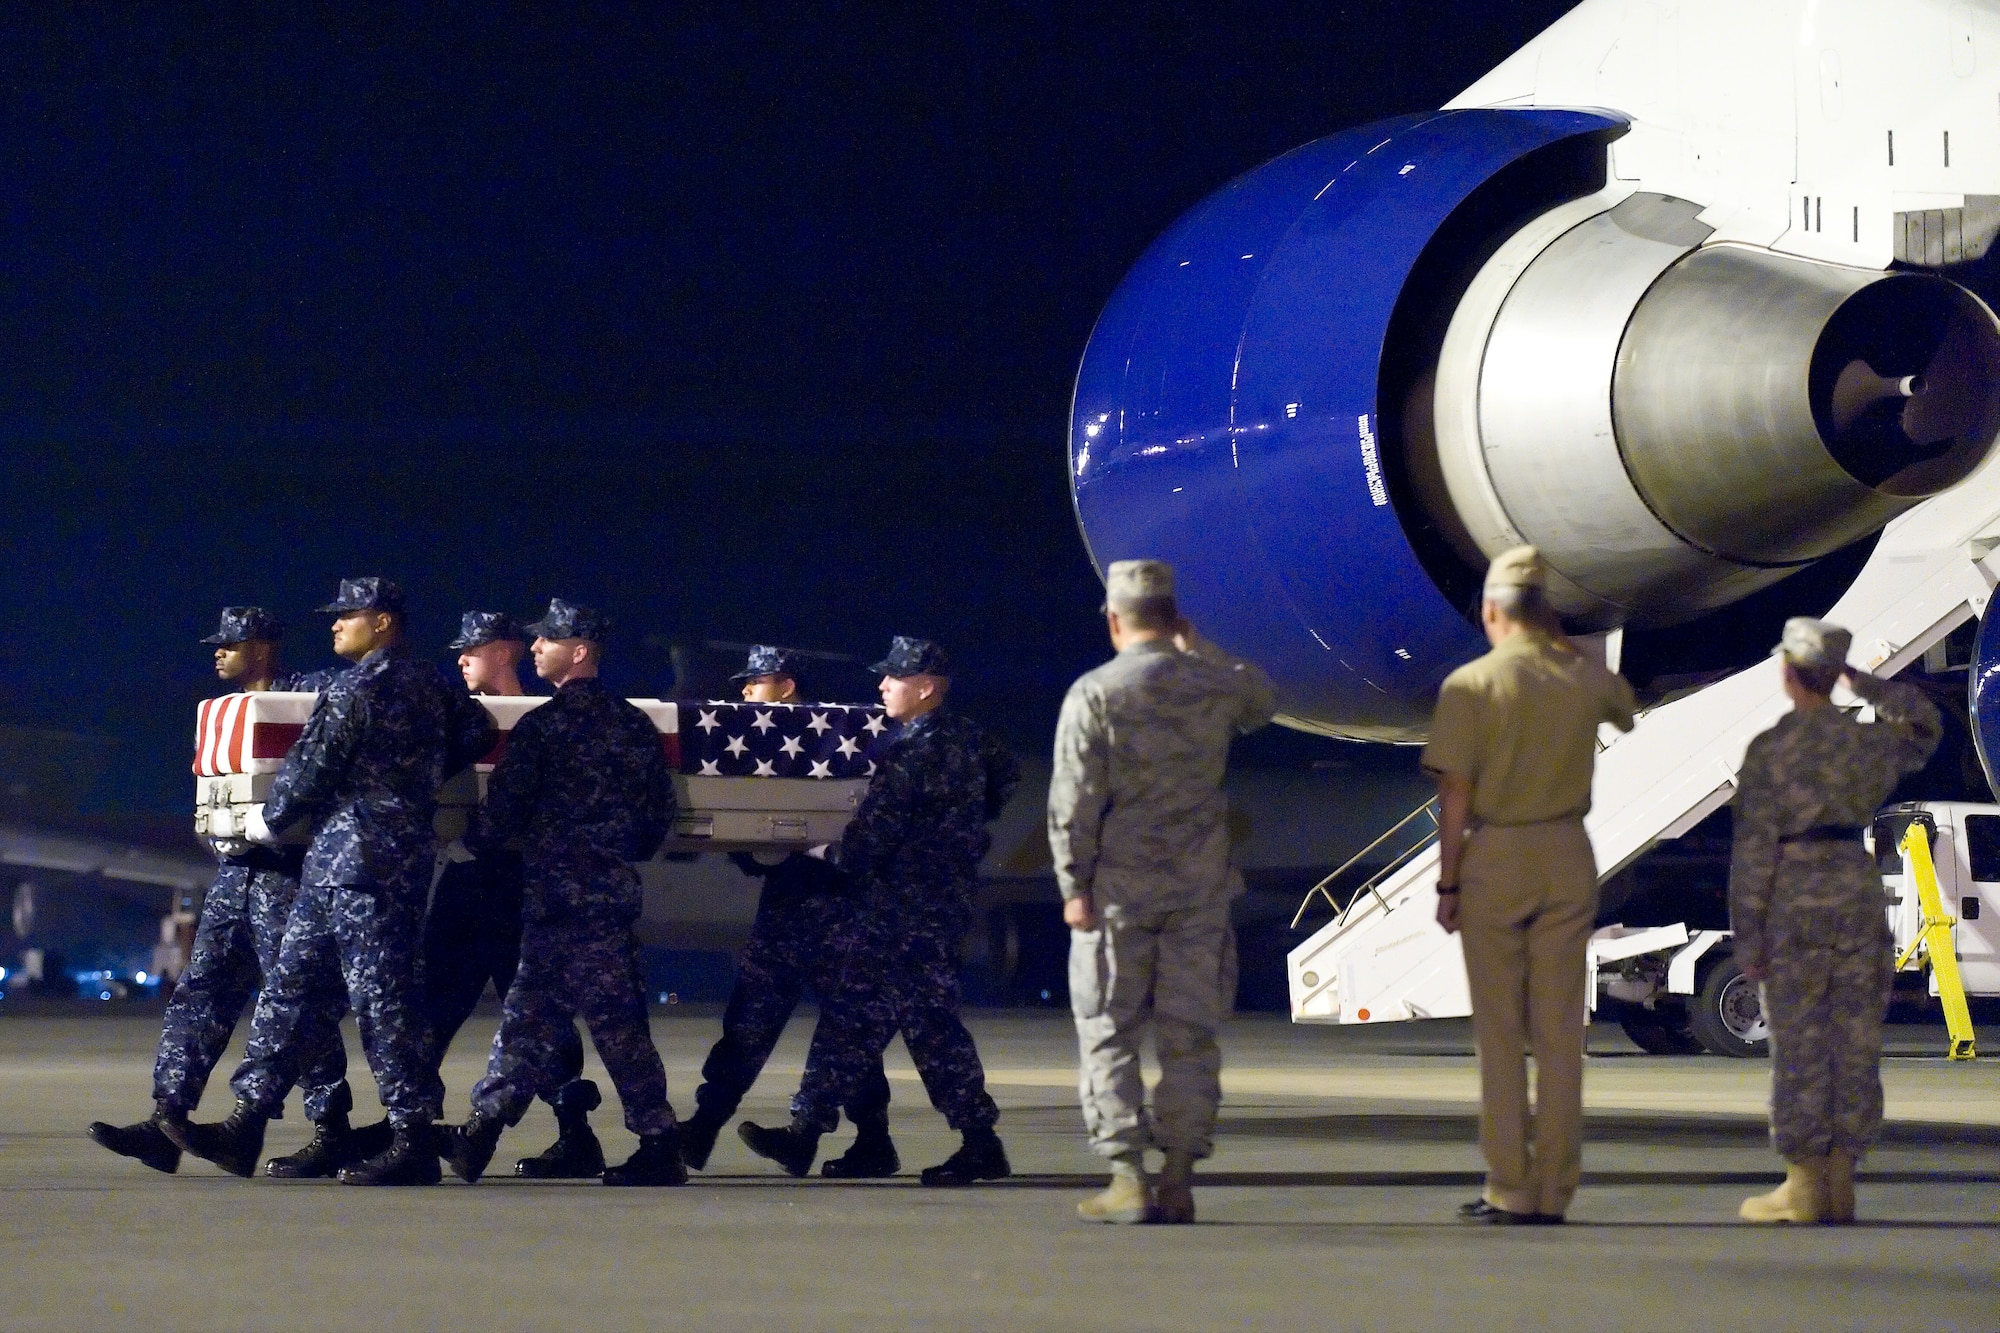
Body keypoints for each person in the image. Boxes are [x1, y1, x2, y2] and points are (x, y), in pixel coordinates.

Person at [170, 577, 493, 1186]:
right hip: (368, 858)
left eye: (350, 615)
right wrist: (417, 778)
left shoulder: (357, 688)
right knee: (294, 986)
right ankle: (248, 1120)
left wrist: (268, 822)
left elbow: (311, 768)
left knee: (375, 997)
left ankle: (413, 1138)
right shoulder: (433, 685)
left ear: (384, 622)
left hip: (355, 859)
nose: (337, 624)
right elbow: (477, 733)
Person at [738, 636, 1020, 1186]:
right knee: (858, 1020)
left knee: (918, 1026)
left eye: (894, 678)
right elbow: (1003, 783)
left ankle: (979, 1142)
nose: (882, 685)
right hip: (941, 905)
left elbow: (867, 846)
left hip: (898, 913)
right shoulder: (974, 741)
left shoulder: (908, 754)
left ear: (927, 688)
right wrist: (957, 832)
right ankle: (806, 1132)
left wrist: (815, 851)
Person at [88, 607, 356, 1175]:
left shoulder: (310, 692)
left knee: (296, 1006)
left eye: (230, 644)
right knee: (200, 991)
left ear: (262, 647)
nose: (218, 652)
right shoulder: (225, 714)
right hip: (236, 873)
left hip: (288, 872)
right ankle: (168, 1117)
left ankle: (331, 1127)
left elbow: (354, 707)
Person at [1049, 560, 1276, 1224]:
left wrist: (1073, 885)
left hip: (1117, 892)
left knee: (1109, 1031)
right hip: (1199, 891)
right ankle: (1178, 1178)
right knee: (1190, 1036)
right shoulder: (1213, 687)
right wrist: (1197, 646)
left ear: (1115, 620)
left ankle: (1127, 1176)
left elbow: (1074, 803)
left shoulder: (1095, 692)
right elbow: (1263, 698)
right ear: (1173, 619)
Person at [1425, 546, 1637, 1225]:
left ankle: (1510, 1185)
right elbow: (1626, 708)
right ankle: (1556, 1186)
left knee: (1500, 1032)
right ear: (1543, 613)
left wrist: (1448, 881)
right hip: (1567, 851)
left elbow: (1455, 793)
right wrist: (1564, 647)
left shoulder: (1471, 684)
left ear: (1491, 611)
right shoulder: (1578, 676)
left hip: (1497, 854)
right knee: (1557, 1033)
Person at [441, 599, 685, 1187]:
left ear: (578, 651)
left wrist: (467, 842)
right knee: (557, 1018)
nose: (534, 648)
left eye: (546, 641)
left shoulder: (544, 727)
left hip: (557, 900)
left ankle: (656, 1143)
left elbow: (501, 817)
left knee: (576, 1022)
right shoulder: (633, 726)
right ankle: (483, 1132)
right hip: (609, 895)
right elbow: (659, 818)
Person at [1731, 618, 1941, 1224]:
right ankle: (1840, 1184)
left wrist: (1749, 934)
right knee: (1855, 1043)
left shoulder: (1772, 749)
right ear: (1833, 673)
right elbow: (1925, 725)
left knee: (1799, 1045)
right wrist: (1867, 686)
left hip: (1794, 894)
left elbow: (1752, 852)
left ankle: (1802, 1187)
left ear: (1789, 673)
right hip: (1854, 887)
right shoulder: (1868, 743)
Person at [678, 646, 896, 1177]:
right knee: (749, 1023)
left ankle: (871, 1139)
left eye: (756, 681)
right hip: (788, 908)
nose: (746, 691)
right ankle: (705, 1126)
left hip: (841, 909)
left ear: (788, 686)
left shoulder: (835, 742)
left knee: (848, 1033)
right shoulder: (757, 751)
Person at [423, 610, 597, 1178]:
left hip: (517, 882)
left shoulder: (551, 722)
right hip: (471, 883)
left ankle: (575, 1135)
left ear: (504, 652)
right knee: (431, 1011)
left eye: (471, 649)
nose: (460, 660)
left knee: (540, 1019)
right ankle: (414, 1129)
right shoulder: (452, 717)